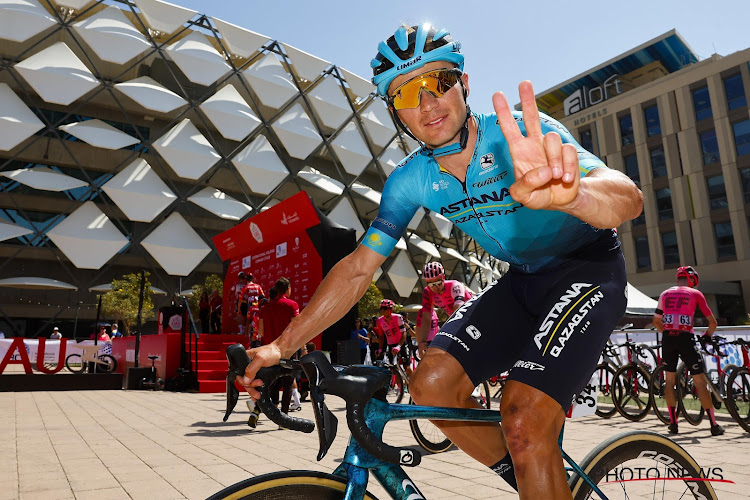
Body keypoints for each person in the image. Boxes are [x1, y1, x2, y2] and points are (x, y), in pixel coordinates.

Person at [239, 23, 642, 498]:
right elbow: (356, 269)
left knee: (524, 415)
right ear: (396, 112)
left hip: (587, 269)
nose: (429, 102)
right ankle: (537, 474)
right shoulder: (411, 181)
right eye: (409, 92)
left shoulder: (519, 138)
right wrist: (280, 347)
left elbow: (628, 198)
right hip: (522, 282)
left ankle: (533, 453)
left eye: (441, 82)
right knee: (430, 387)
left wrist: (576, 199)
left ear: (464, 85)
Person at [653, 266, 723, 436]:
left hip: (669, 338)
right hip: (686, 338)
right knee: (699, 381)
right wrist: (707, 336)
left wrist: (668, 332)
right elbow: (712, 323)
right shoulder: (695, 294)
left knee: (669, 380)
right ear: (693, 280)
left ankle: (673, 423)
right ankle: (714, 425)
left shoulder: (665, 293)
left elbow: (656, 321)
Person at [247, 277, 299, 429]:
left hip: (269, 351)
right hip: (288, 351)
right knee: (288, 383)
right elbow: (296, 329)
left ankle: (256, 410)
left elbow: (261, 332)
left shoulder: (265, 308)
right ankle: (283, 421)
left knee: (269, 383)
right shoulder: (292, 305)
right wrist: (302, 348)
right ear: (287, 289)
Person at [416, 261, 473, 356]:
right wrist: (422, 342)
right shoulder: (427, 292)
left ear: (443, 277)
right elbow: (426, 318)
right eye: (431, 284)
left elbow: (458, 310)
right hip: (457, 320)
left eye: (438, 282)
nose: (436, 287)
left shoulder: (455, 285)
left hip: (471, 315)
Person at [374, 299, 406, 364]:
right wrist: (380, 349)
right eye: (381, 308)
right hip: (391, 345)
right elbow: (381, 336)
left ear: (390, 309)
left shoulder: (398, 317)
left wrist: (399, 346)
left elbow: (404, 333)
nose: (383, 310)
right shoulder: (379, 321)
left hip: (401, 343)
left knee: (406, 367)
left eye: (385, 308)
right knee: (392, 367)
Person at [240, 274, 265, 346]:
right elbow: (263, 296)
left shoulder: (246, 287)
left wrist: (239, 309)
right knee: (257, 320)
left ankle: (248, 335)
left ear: (246, 279)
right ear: (252, 278)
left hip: (250, 305)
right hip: (258, 305)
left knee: (249, 320)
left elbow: (241, 299)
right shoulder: (258, 286)